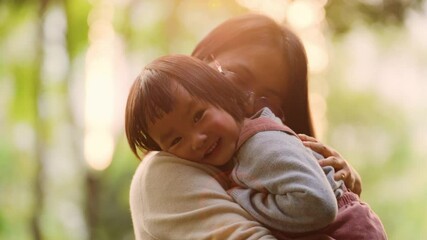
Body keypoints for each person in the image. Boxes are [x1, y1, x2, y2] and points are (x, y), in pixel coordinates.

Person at [127, 14, 363, 239]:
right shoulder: (162, 173)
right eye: (236, 77)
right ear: (199, 67)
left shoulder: (252, 158)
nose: (248, 101)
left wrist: (338, 185)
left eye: (266, 100)